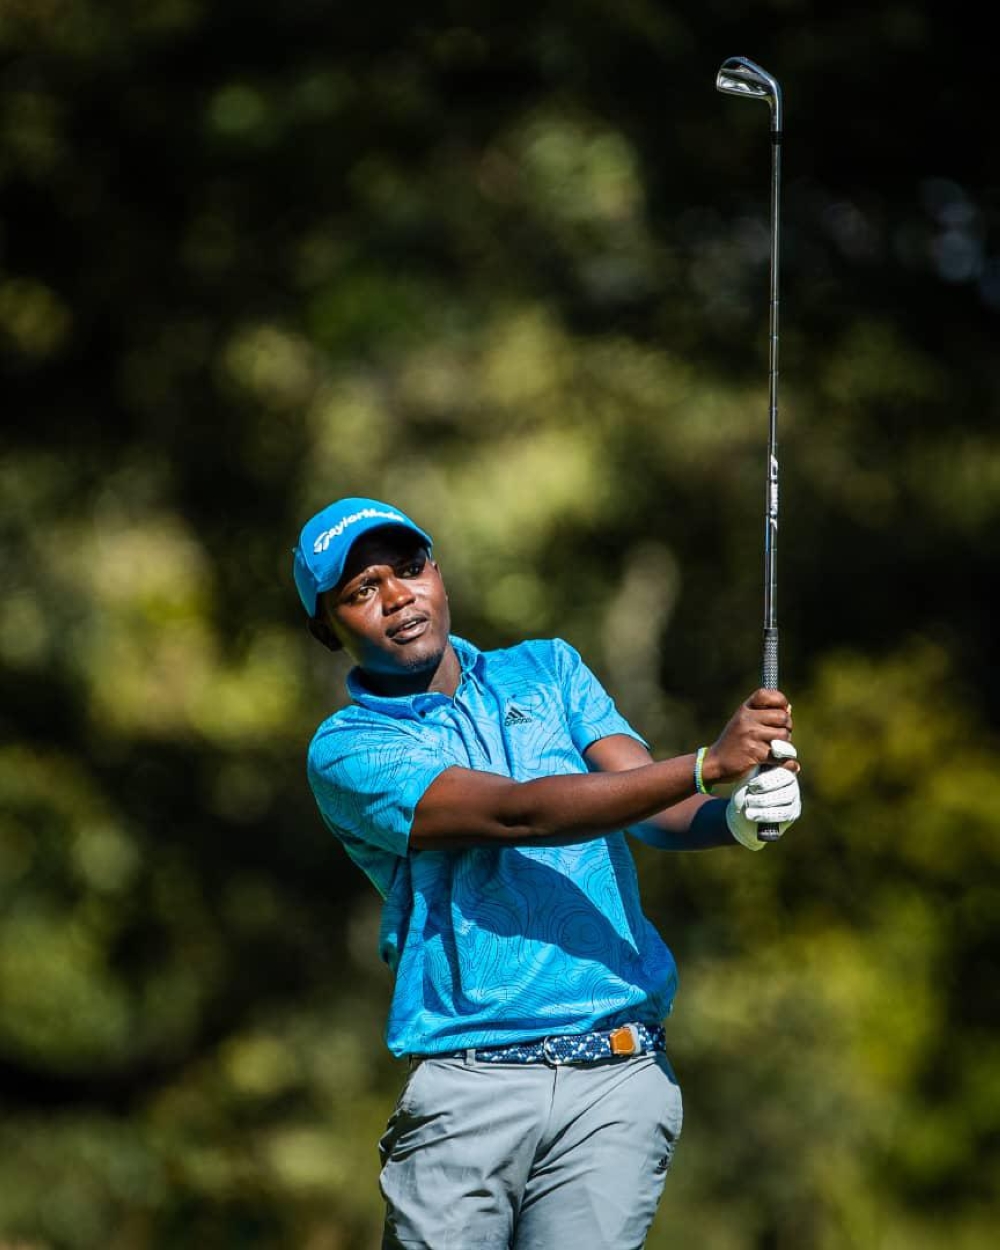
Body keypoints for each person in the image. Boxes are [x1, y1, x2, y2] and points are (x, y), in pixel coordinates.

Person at [292, 495, 802, 1250]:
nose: (398, 596)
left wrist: (734, 817)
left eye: (408, 568)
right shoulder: (347, 748)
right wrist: (704, 765)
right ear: (325, 627)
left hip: (619, 1077)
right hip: (470, 1087)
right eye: (362, 590)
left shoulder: (548, 670)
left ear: (437, 571)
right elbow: (517, 814)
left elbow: (646, 804)